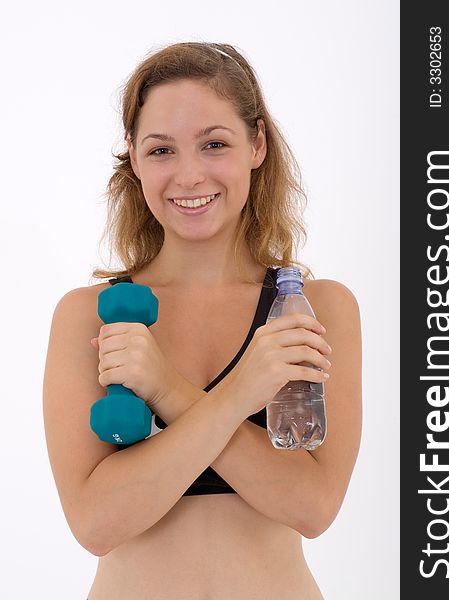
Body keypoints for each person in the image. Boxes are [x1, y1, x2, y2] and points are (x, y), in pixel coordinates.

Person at [43, 41, 362, 599]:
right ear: (134, 158)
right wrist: (242, 391)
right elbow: (96, 523)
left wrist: (167, 388)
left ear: (256, 144)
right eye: (161, 150)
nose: (189, 175)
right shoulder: (87, 316)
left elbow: (312, 507)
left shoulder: (316, 311)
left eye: (214, 144)